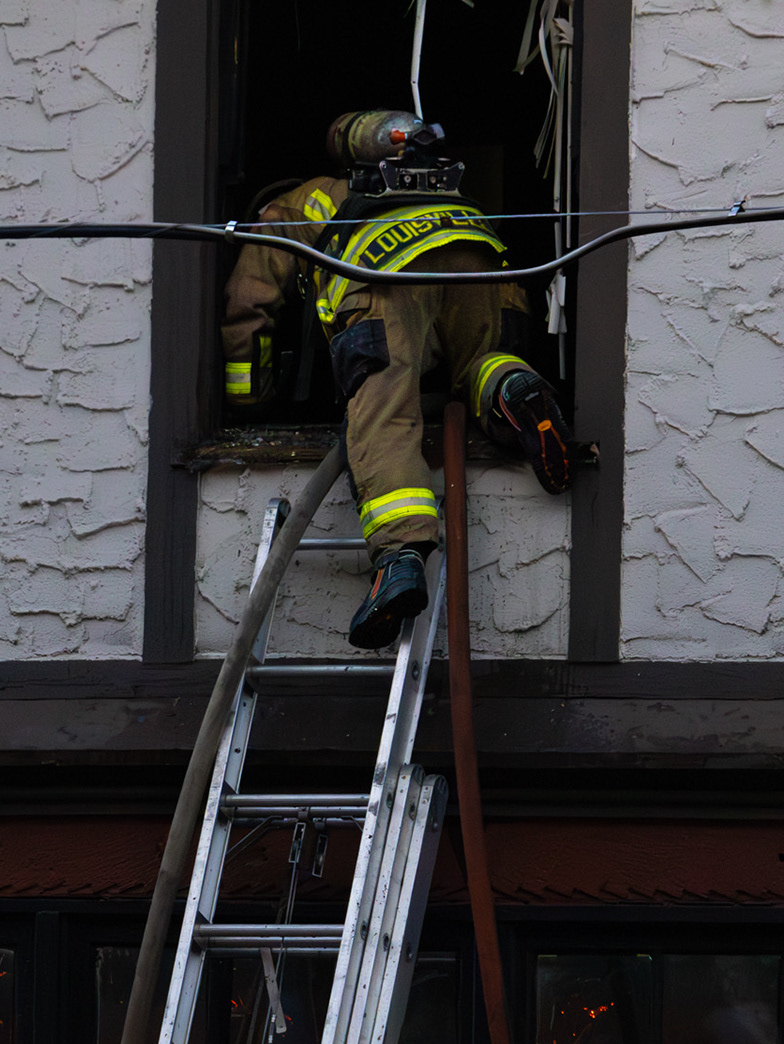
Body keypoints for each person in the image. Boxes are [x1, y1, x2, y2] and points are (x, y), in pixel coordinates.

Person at [221, 110, 576, 648]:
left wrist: (247, 401)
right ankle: (515, 392)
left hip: (389, 276)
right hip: (482, 259)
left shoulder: (297, 204)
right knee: (481, 362)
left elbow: (251, 304)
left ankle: (399, 559)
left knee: (384, 407)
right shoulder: (441, 189)